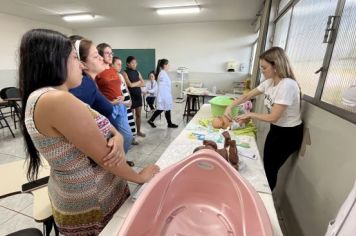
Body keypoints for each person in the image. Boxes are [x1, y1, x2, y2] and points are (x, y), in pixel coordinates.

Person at [19, 29, 159, 235]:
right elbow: (105, 158)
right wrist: (139, 177)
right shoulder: (57, 100)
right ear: (54, 61)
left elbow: (100, 120)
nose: (81, 65)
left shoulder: (51, 96)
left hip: (80, 191)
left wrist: (118, 137)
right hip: (93, 200)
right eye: (75, 58)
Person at [224, 47, 303, 190]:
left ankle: (264, 200)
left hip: (289, 134)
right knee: (266, 165)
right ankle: (261, 193)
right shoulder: (270, 82)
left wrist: (250, 114)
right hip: (276, 130)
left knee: (270, 170)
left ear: (276, 66)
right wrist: (230, 106)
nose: (262, 71)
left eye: (264, 67)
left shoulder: (288, 85)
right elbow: (247, 96)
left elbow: (273, 116)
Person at [96, 43, 133, 153]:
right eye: (107, 53)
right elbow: (95, 92)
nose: (110, 55)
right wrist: (109, 102)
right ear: (100, 55)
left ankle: (122, 159)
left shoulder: (113, 70)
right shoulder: (97, 71)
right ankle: (113, 163)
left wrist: (122, 97)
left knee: (127, 136)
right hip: (108, 108)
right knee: (109, 138)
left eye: (111, 53)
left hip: (120, 106)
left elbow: (118, 86)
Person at [112, 56, 139, 146]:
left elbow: (126, 89)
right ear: (111, 65)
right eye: (118, 64)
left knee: (131, 125)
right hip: (121, 106)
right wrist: (123, 102)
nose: (120, 66)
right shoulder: (111, 77)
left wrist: (129, 99)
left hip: (127, 105)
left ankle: (131, 141)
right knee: (124, 130)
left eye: (121, 64)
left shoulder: (120, 75)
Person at [147, 59, 178, 128]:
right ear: (165, 65)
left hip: (165, 95)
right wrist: (164, 98)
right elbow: (161, 88)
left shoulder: (163, 73)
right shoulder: (162, 74)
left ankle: (169, 123)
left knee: (166, 109)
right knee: (162, 109)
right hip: (164, 96)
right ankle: (151, 120)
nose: (169, 66)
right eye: (168, 64)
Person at [122, 56, 146, 137]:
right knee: (131, 117)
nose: (135, 64)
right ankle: (132, 134)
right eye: (132, 63)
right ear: (128, 64)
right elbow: (129, 85)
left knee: (138, 115)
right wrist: (138, 82)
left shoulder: (137, 72)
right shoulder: (124, 73)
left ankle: (138, 131)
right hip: (130, 97)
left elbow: (143, 83)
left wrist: (135, 84)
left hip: (138, 96)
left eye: (135, 63)